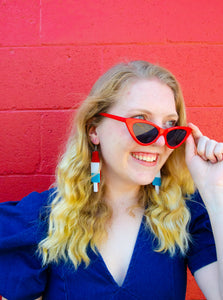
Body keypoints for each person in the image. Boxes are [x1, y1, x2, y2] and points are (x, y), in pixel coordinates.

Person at [0, 60, 223, 300]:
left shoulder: (185, 214)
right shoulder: (42, 218)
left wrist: (214, 190)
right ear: (94, 130)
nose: (160, 142)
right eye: (141, 122)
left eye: (170, 126)